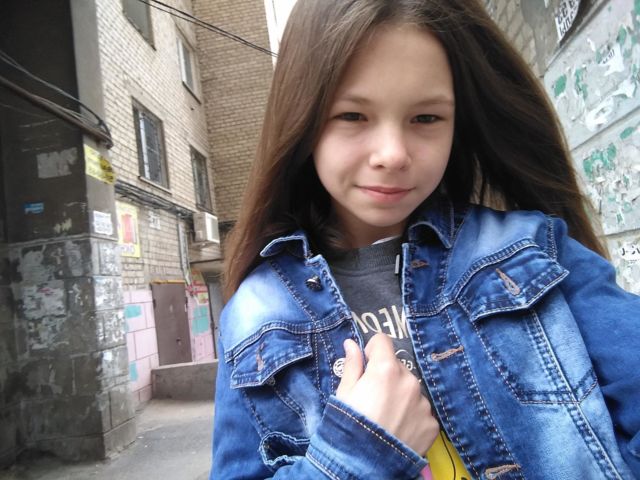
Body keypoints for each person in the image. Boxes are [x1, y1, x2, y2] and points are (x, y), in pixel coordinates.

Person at [210, 0, 640, 478]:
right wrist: (355, 455)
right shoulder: (257, 315)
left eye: (426, 118)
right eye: (352, 115)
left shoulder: (533, 250)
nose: (393, 154)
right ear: (303, 119)